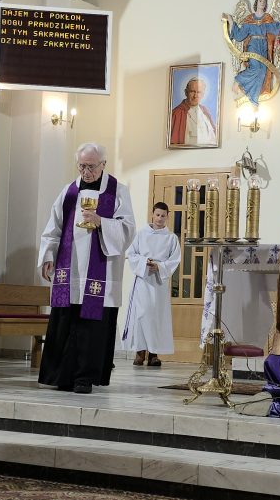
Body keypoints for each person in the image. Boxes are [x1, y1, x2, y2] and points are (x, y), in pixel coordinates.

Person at [39, 142, 136, 394]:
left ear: (103, 164)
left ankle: (85, 378)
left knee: (92, 328)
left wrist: (101, 221)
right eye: (81, 166)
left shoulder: (118, 191)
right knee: (66, 322)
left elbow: (128, 229)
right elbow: (53, 227)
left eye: (91, 166)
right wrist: (48, 255)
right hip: (69, 270)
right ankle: (62, 376)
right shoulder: (69, 191)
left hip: (100, 272)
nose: (86, 172)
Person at [123, 202, 181, 366]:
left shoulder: (171, 238)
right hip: (143, 279)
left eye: (163, 216)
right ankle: (140, 352)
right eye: (157, 215)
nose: (160, 218)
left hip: (158, 282)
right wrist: (144, 262)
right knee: (141, 315)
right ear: (152, 214)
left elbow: (175, 259)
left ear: (167, 216)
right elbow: (131, 254)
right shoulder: (141, 234)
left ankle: (154, 354)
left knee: (156, 317)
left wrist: (160, 267)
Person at [224, 0, 280, 107]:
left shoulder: (267, 20)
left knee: (263, 71)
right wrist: (230, 20)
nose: (262, 3)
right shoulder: (249, 20)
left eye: (264, 1)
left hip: (263, 47)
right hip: (253, 46)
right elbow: (239, 36)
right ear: (256, 3)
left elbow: (279, 29)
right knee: (256, 68)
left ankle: (254, 98)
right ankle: (238, 80)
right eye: (260, 1)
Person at [169, 77, 217, 147]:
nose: (195, 96)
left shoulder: (205, 111)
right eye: (192, 91)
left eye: (199, 92)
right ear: (186, 92)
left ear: (203, 94)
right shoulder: (177, 113)